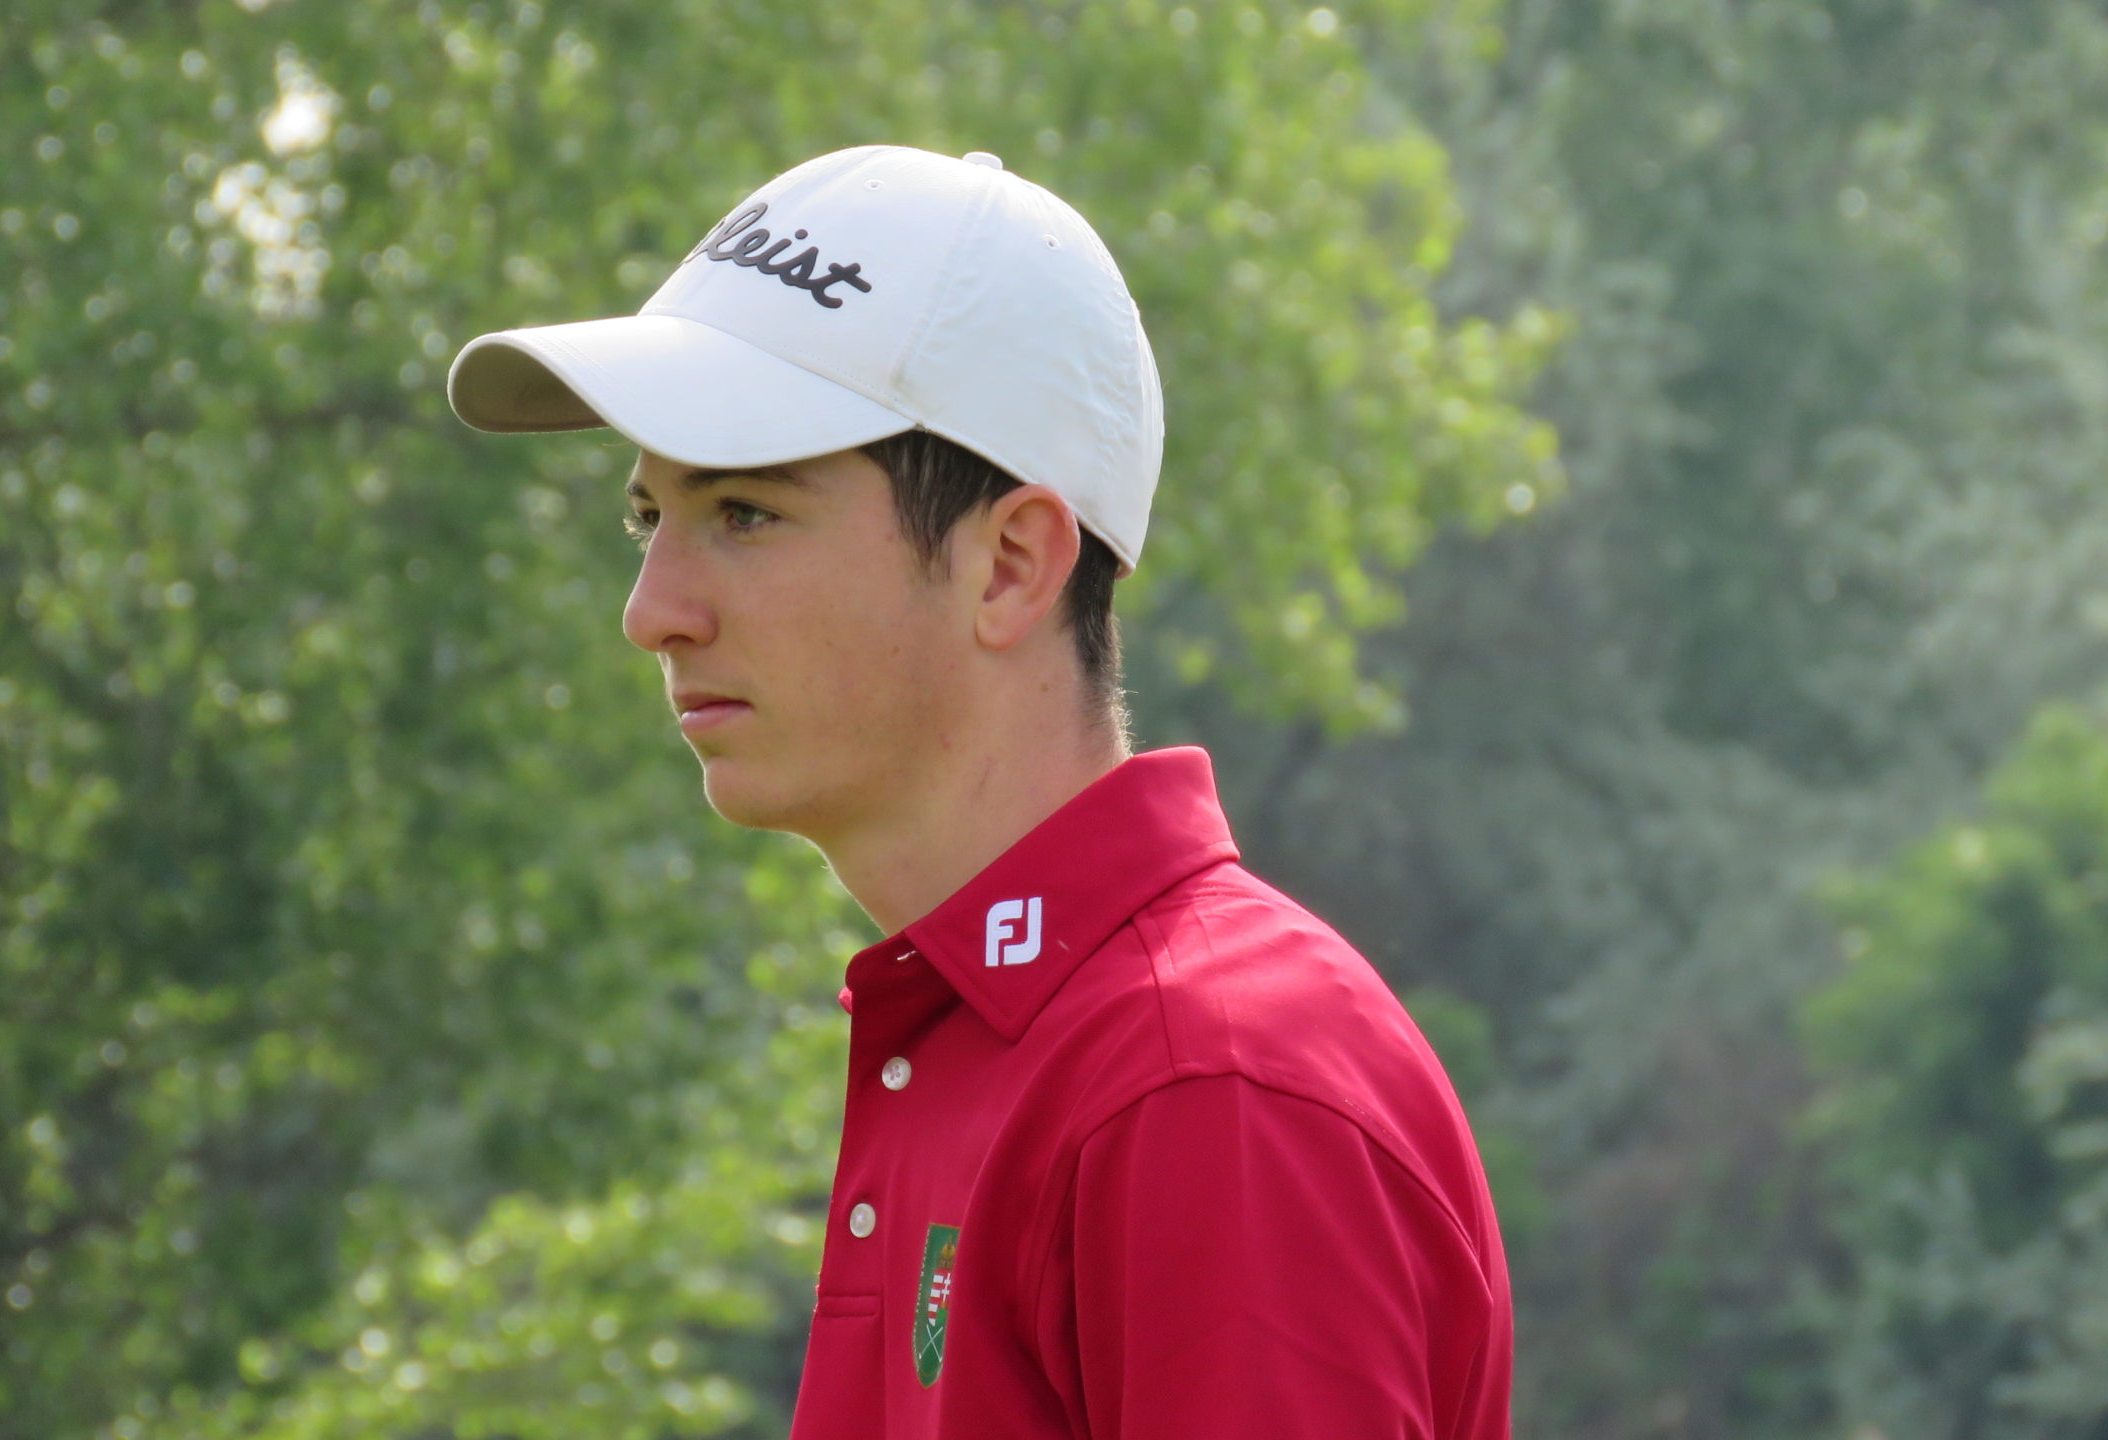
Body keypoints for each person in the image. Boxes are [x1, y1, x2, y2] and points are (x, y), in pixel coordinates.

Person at [447, 145, 1512, 1439]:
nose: (651, 610)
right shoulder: (998, 1040)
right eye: (647, 518)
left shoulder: (1202, 1087)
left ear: (1010, 565)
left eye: (743, 513)